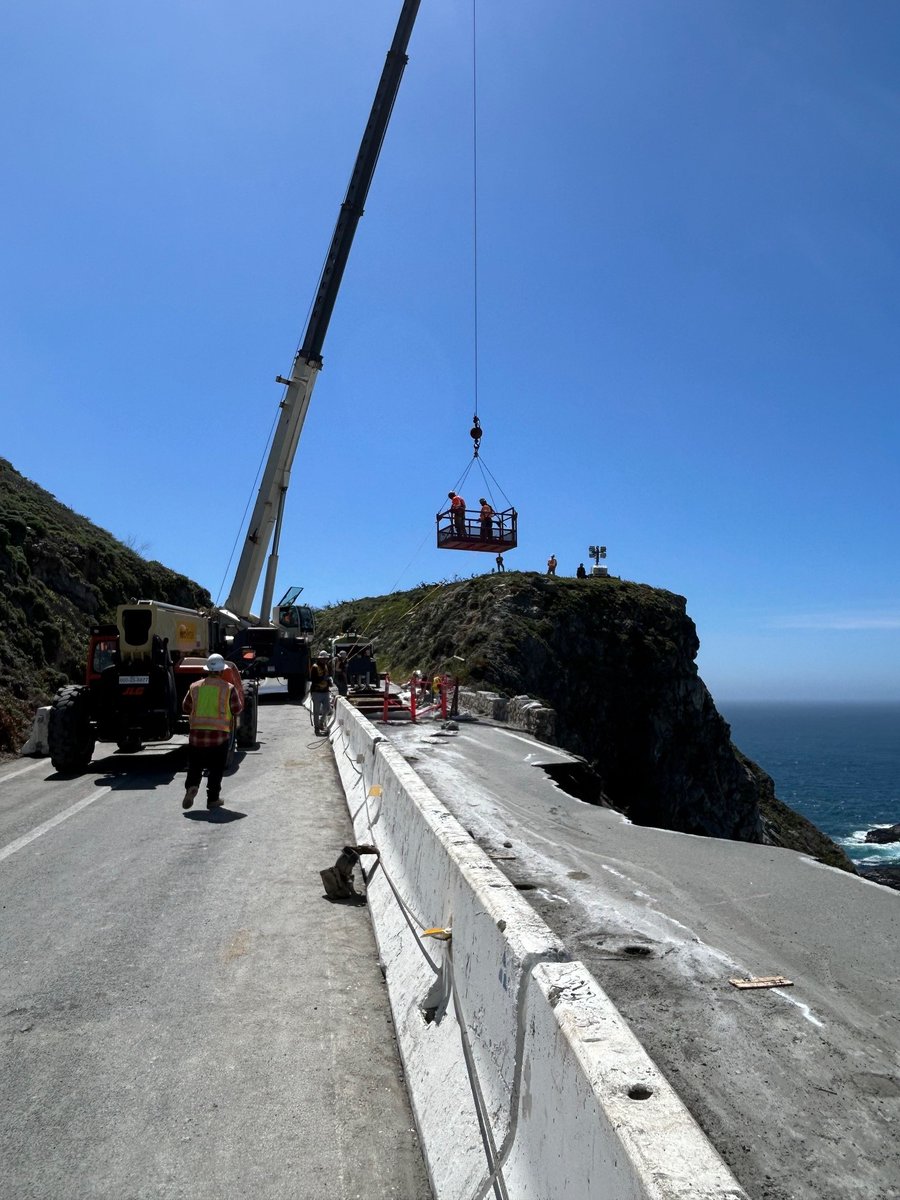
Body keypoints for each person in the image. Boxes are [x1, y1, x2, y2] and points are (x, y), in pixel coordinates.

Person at [182, 653, 244, 810]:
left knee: (195, 765)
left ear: (207, 670)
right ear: (222, 671)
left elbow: (186, 707)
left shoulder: (194, 687)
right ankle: (213, 799)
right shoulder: (228, 689)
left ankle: (192, 787)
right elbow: (237, 709)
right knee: (216, 768)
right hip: (219, 737)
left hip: (196, 736)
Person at [309, 650, 333, 735]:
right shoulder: (315, 667)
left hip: (325, 691)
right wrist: (323, 678)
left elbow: (328, 677)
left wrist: (329, 682)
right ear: (319, 659)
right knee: (316, 711)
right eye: (323, 659)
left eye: (326, 659)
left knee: (327, 709)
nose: (324, 660)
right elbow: (313, 679)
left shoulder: (326, 666)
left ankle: (321, 722)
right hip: (316, 692)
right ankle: (317, 728)